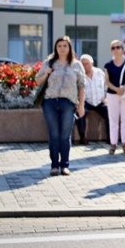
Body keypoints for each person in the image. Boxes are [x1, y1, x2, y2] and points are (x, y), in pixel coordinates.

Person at [35, 35, 86, 176]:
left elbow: (82, 86)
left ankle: (65, 165)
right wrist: (45, 73)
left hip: (68, 103)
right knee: (54, 134)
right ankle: (54, 165)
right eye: (59, 46)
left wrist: (81, 105)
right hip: (50, 102)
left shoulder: (76, 64)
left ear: (69, 48)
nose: (62, 48)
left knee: (65, 135)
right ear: (56, 48)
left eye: (65, 46)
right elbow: (37, 81)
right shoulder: (49, 63)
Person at [103, 40, 125, 155]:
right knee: (113, 119)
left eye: (118, 47)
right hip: (112, 94)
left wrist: (123, 89)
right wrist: (117, 89)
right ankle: (113, 144)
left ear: (122, 49)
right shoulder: (108, 65)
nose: (116, 50)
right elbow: (107, 81)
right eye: (113, 48)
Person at [75, 54, 108, 145]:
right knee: (80, 113)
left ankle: (111, 138)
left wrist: (106, 98)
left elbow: (106, 86)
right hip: (86, 101)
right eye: (83, 64)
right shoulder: (79, 75)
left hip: (100, 101)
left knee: (109, 111)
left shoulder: (100, 73)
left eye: (87, 63)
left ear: (92, 63)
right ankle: (82, 137)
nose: (85, 66)